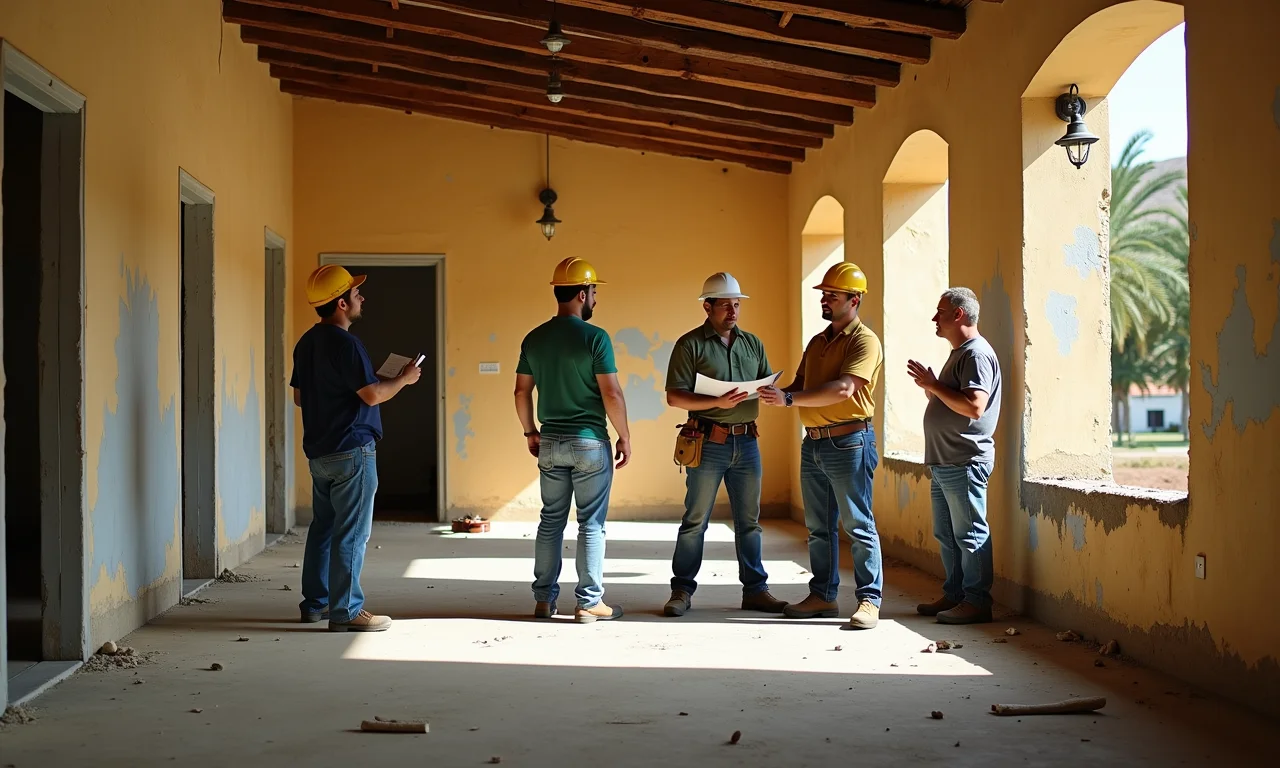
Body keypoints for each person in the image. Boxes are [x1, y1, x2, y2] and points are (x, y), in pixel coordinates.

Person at [291, 264, 421, 632]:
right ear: (342, 303)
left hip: (319, 450)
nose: (361, 297)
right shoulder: (348, 344)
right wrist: (405, 380)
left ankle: (314, 604)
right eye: (356, 293)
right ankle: (346, 610)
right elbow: (371, 394)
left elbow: (302, 397)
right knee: (351, 532)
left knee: (323, 528)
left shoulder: (307, 342)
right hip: (353, 450)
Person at [759, 262, 884, 630]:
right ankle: (824, 595)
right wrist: (771, 391)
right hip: (813, 445)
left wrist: (787, 400)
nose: (825, 300)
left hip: (850, 443)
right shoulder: (818, 341)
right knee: (818, 528)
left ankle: (869, 601)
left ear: (854, 300)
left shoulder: (865, 341)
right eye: (824, 294)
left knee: (858, 524)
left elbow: (845, 388)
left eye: (832, 295)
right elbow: (800, 384)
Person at [661, 273, 789, 617]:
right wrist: (718, 401)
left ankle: (756, 591)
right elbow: (675, 396)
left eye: (737, 304)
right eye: (725, 305)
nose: (733, 311)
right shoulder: (689, 345)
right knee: (695, 520)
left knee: (750, 521)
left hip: (747, 442)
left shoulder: (753, 344)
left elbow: (766, 382)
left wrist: (769, 391)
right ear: (708, 307)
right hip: (708, 441)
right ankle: (682, 591)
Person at [515, 257, 632, 624]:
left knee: (550, 520)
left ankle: (543, 599)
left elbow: (521, 392)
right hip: (589, 442)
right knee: (591, 523)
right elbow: (611, 394)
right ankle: (588, 602)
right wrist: (624, 435)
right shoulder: (595, 338)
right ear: (583, 293)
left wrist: (530, 431)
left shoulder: (534, 338)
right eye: (594, 291)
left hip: (550, 441)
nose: (595, 298)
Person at [908, 288, 1002, 625]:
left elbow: (975, 407)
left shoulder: (976, 355)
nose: (935, 318)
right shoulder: (960, 353)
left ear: (958, 315)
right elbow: (954, 404)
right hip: (945, 461)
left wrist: (934, 386)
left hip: (963, 460)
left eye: (940, 312)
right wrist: (932, 389)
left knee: (970, 533)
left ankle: (976, 601)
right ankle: (955, 595)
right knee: (947, 535)